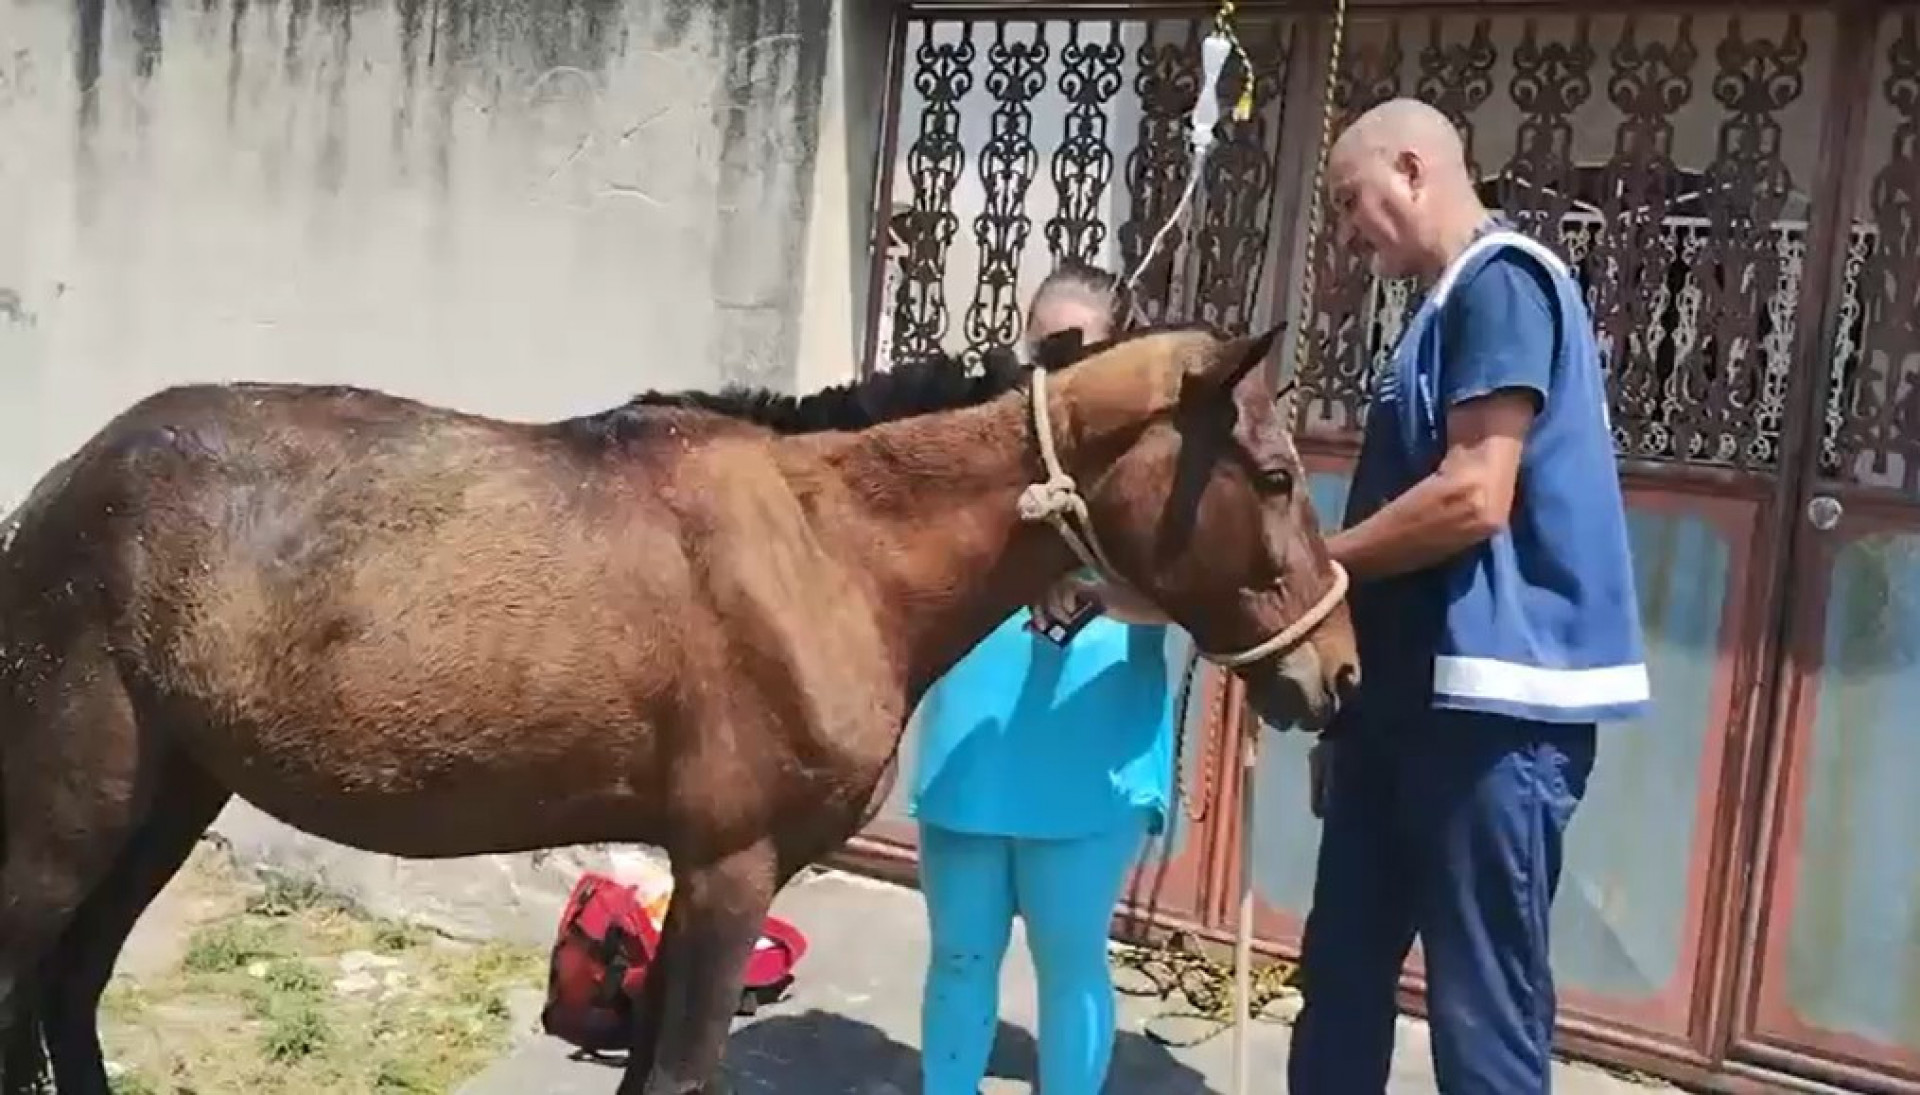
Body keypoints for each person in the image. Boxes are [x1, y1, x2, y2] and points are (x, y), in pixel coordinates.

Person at [1288, 98, 1652, 1094]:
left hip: (1493, 720)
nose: (1347, 229)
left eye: (1351, 199)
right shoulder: (1438, 312)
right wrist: (1348, 718)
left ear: (1412, 170)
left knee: (1480, 1015)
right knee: (1341, 977)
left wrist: (1322, 566)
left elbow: (1473, 495)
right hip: (1401, 711)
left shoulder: (1504, 281)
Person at [907, 260, 1179, 1095]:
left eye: (1075, 345)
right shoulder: (976, 444)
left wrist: (1098, 591)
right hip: (971, 745)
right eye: (1040, 342)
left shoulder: (1151, 463)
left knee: (1069, 958)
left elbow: (1185, 594)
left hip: (1088, 753)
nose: (1052, 362)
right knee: (959, 953)